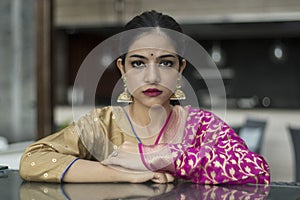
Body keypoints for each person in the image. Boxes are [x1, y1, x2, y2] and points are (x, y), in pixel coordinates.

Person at [19, 10, 270, 184]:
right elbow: (32, 160)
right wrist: (122, 173)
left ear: (180, 69)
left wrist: (161, 156)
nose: (152, 77)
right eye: (138, 63)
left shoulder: (202, 126)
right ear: (123, 69)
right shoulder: (102, 125)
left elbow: (257, 171)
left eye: (166, 63)